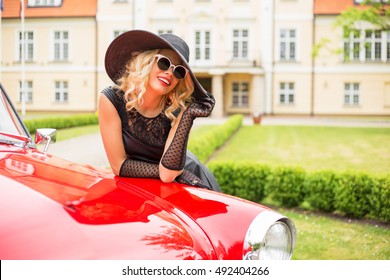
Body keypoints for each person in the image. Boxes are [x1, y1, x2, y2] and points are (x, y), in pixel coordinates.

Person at [98, 30, 221, 192]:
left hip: (189, 177)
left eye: (179, 71)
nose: (170, 72)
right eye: (164, 63)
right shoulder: (111, 100)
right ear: (146, 62)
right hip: (172, 176)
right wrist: (165, 171)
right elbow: (119, 166)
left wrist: (189, 114)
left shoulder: (178, 109)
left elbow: (168, 175)